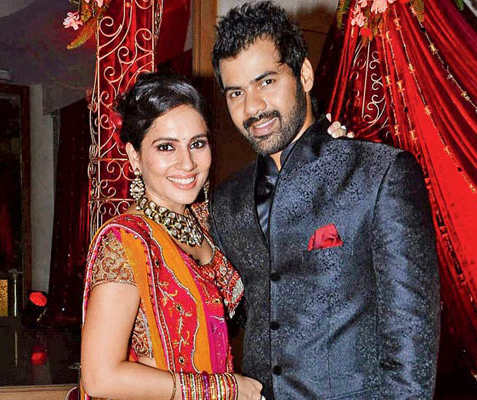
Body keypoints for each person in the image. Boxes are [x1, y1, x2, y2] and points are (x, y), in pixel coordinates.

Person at [208, 2, 441, 399]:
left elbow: (411, 342)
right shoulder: (227, 202)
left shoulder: (379, 174)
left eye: (266, 82)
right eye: (236, 92)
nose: (253, 107)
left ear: (304, 75)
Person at [80, 72, 264, 400]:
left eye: (197, 144)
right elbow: (100, 377)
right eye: (166, 147)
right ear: (135, 156)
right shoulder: (125, 241)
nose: (187, 163)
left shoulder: (206, 221)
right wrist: (225, 388)